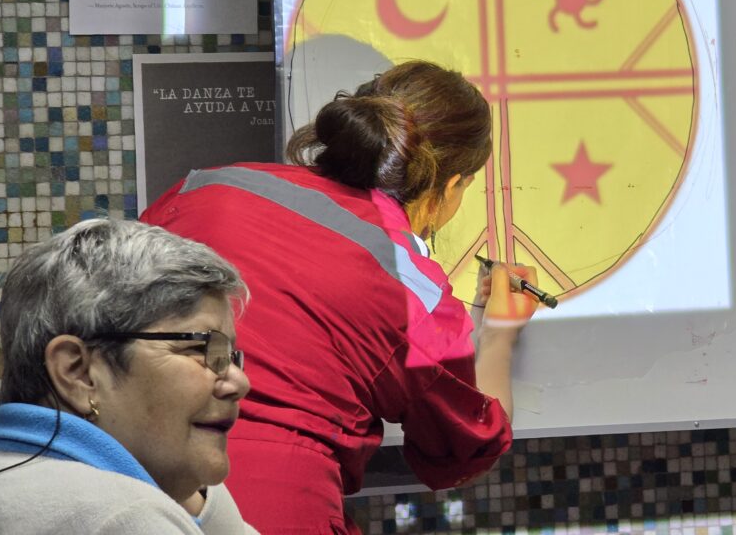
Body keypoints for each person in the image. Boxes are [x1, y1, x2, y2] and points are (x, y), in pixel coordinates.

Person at [141, 59, 540, 534]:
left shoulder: (209, 187)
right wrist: (499, 334)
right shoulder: (413, 289)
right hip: (272, 508)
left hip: (123, 474)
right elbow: (467, 446)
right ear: (451, 184)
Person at [0, 218, 256, 534]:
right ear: (78, 373)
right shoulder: (121, 518)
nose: (239, 383)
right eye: (199, 348)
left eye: (229, 356)